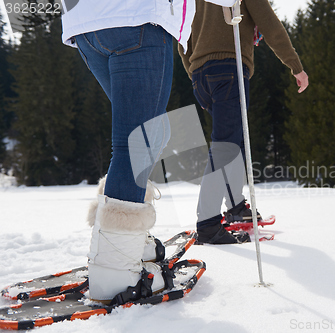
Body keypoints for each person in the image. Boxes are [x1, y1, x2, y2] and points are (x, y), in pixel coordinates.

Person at [60, 0, 195, 303]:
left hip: (85, 26)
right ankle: (114, 271)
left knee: (154, 133)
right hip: (138, 20)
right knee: (134, 144)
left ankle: (121, 240)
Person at [179, 0, 309, 244]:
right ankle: (207, 224)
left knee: (233, 143)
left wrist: (194, 71)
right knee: (225, 146)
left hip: (201, 75)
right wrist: (295, 66)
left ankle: (236, 207)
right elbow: (269, 23)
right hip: (228, 67)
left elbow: (182, 32)